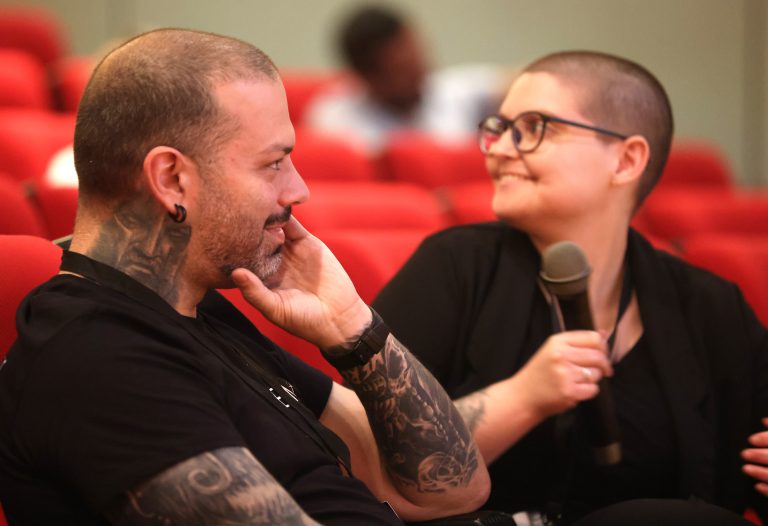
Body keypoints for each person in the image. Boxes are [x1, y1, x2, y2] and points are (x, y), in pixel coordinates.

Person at [0, 28, 491, 525]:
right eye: (273, 164)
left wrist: (352, 327)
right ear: (171, 179)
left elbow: (452, 488)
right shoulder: (101, 358)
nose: (297, 190)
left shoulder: (200, 311)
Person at [373, 50, 768, 525]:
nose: (498, 149)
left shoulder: (712, 308)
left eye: (534, 128)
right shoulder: (453, 266)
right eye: (499, 128)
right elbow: (366, 461)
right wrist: (524, 397)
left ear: (626, 160)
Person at [304, 5, 508, 153]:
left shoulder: (452, 89)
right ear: (365, 77)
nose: (419, 74)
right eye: (402, 70)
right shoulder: (334, 121)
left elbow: (514, 83)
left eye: (417, 59)